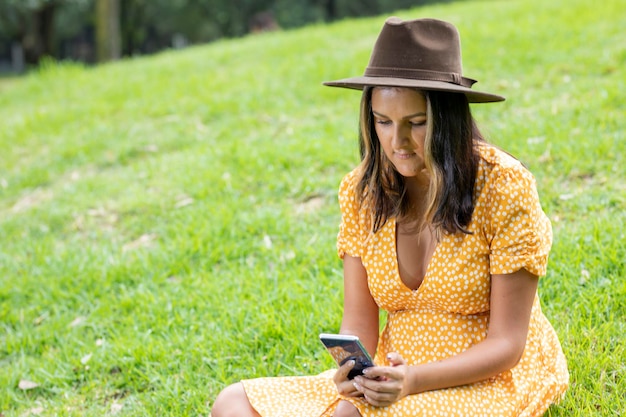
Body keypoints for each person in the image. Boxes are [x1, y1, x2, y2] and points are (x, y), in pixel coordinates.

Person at [210, 17, 569, 417]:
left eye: (416, 123)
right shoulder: (363, 191)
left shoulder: (503, 185)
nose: (396, 142)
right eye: (383, 122)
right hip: (393, 373)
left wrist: (413, 380)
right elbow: (357, 322)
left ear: (448, 119)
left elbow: (507, 345)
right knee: (234, 403)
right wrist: (352, 370)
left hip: (488, 376)